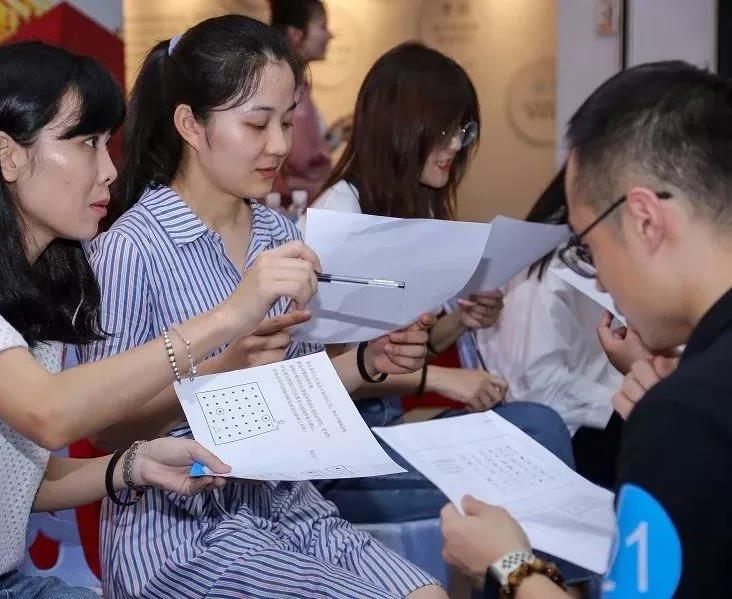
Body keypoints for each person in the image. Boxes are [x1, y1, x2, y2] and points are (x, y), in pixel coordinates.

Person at [0, 40, 322, 598]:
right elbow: (49, 412)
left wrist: (133, 466)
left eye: (107, 144)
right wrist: (230, 316)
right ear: (8, 154)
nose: (109, 170)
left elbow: (26, 481)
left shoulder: (40, 281)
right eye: (86, 143)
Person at [81, 16, 446, 599]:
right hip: (182, 531)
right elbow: (105, 431)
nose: (278, 145)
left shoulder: (280, 234)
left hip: (289, 506)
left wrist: (368, 361)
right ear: (189, 125)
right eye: (256, 124)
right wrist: (222, 369)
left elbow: (292, 388)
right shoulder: (131, 249)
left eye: (287, 121)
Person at [440, 61, 732, 598]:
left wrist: (508, 564)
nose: (597, 276)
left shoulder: (684, 417)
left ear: (645, 220)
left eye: (589, 244)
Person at [303, 42, 573, 524]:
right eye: (445, 131)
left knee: (541, 425)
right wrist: (444, 379)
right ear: (399, 127)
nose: (455, 146)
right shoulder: (339, 216)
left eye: (463, 131)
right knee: (536, 446)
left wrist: (461, 321)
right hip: (342, 458)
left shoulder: (414, 207)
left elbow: (407, 348)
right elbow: (328, 372)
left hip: (385, 432)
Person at [475, 167, 625, 488]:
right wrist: (623, 400)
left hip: (593, 405)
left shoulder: (601, 253)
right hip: (562, 428)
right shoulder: (546, 265)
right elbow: (537, 387)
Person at [268, 0, 344, 203]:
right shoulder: (288, 88)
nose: (329, 35)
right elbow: (302, 161)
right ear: (295, 34)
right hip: (290, 206)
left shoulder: (297, 84)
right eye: (322, 26)